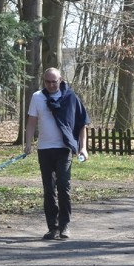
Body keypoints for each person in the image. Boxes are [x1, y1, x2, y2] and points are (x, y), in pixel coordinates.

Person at [24, 67, 90, 240]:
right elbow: (31, 122)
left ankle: (65, 226)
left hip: (64, 148)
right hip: (44, 149)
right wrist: (28, 143)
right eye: (48, 82)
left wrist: (83, 147)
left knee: (63, 186)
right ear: (43, 81)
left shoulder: (70, 97)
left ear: (60, 80)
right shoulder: (37, 97)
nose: (52, 85)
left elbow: (82, 123)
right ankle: (52, 227)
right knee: (48, 189)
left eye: (55, 81)